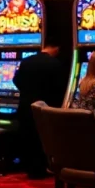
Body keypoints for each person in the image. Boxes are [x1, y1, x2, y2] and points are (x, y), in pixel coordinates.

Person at [12, 39, 65, 178]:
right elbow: (60, 88)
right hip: (45, 107)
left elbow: (15, 80)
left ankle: (30, 168)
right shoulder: (55, 63)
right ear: (57, 49)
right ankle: (41, 169)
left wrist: (26, 92)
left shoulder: (27, 60)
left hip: (25, 105)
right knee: (41, 138)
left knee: (28, 136)